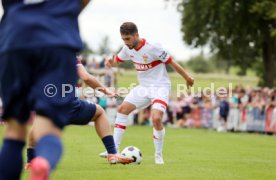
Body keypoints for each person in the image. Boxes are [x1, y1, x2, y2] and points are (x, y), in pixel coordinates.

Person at [0, 1, 91, 179]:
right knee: (48, 130)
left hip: (15, 38)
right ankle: (43, 162)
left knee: (14, 130)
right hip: (58, 38)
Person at [100, 22, 194, 164]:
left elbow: (172, 63)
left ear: (136, 35)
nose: (126, 42)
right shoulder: (127, 49)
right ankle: (113, 150)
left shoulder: (153, 48)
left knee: (156, 118)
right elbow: (117, 61)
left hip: (160, 87)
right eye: (123, 39)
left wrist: (187, 78)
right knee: (122, 109)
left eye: (128, 39)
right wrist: (110, 62)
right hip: (143, 88)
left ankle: (158, 155)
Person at [24, 58, 133, 170]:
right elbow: (86, 77)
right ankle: (112, 153)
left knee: (39, 121)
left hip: (48, 104)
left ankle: (31, 161)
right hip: (70, 106)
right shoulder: (69, 56)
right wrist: (106, 90)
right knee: (99, 113)